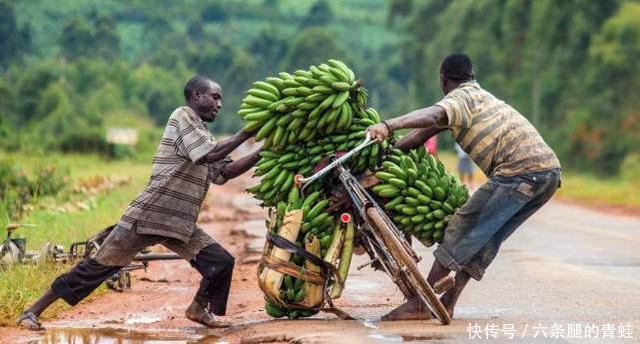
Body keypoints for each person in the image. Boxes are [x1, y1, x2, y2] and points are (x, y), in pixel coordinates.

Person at [17, 76, 261, 330]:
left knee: (221, 262)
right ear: (196, 96)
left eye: (220, 98)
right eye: (215, 96)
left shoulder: (203, 133)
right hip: (147, 216)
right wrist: (246, 133)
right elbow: (210, 155)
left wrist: (261, 152)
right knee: (95, 269)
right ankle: (31, 312)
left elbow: (225, 173)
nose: (219, 104)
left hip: (178, 222)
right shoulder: (183, 117)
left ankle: (198, 309)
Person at [367, 54, 561, 320]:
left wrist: (388, 125)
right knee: (487, 237)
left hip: (521, 171)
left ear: (443, 78)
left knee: (464, 225)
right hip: (548, 173)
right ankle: (447, 302)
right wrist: (384, 155)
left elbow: (434, 113)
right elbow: (422, 133)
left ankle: (422, 302)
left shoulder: (461, 98)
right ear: (471, 74)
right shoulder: (478, 98)